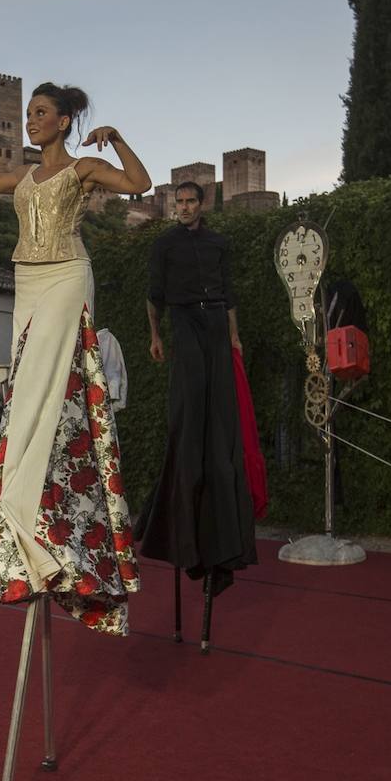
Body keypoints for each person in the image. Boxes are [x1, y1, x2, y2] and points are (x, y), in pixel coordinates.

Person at [0, 82, 151, 635]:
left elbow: (139, 183)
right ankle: (25, 499)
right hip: (27, 281)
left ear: (63, 122)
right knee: (26, 386)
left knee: (52, 383)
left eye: (40, 114)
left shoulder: (80, 169)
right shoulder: (26, 177)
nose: (30, 121)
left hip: (66, 276)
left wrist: (120, 138)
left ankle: (39, 498)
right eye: (28, 113)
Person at [136, 181, 257, 649]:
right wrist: (155, 335)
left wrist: (235, 338)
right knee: (189, 413)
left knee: (220, 419)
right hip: (184, 324)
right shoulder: (163, 245)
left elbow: (228, 297)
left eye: (191, 202)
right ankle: (187, 482)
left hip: (214, 326)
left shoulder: (219, 244)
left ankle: (219, 486)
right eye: (179, 203)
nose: (185, 208)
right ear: (173, 207)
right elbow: (154, 296)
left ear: (202, 205)